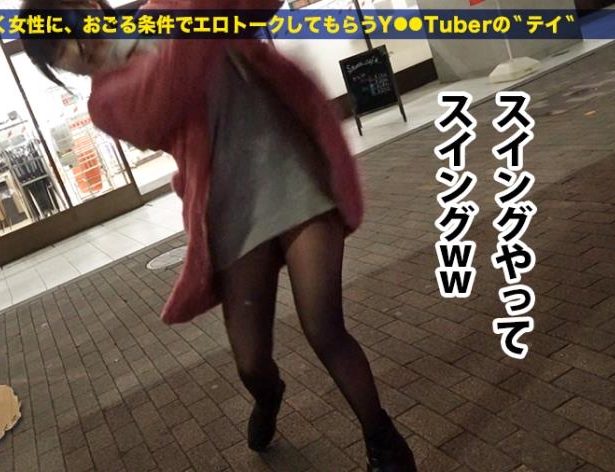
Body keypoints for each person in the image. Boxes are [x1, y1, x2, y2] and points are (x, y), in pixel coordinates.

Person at [21, 0, 416, 469]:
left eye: (65, 31)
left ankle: (385, 445)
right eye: (55, 55)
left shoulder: (168, 12)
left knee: (324, 325)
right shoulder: (107, 103)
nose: (70, 52)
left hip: (296, 179)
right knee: (251, 362)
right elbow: (170, 86)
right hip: (232, 213)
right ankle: (268, 395)